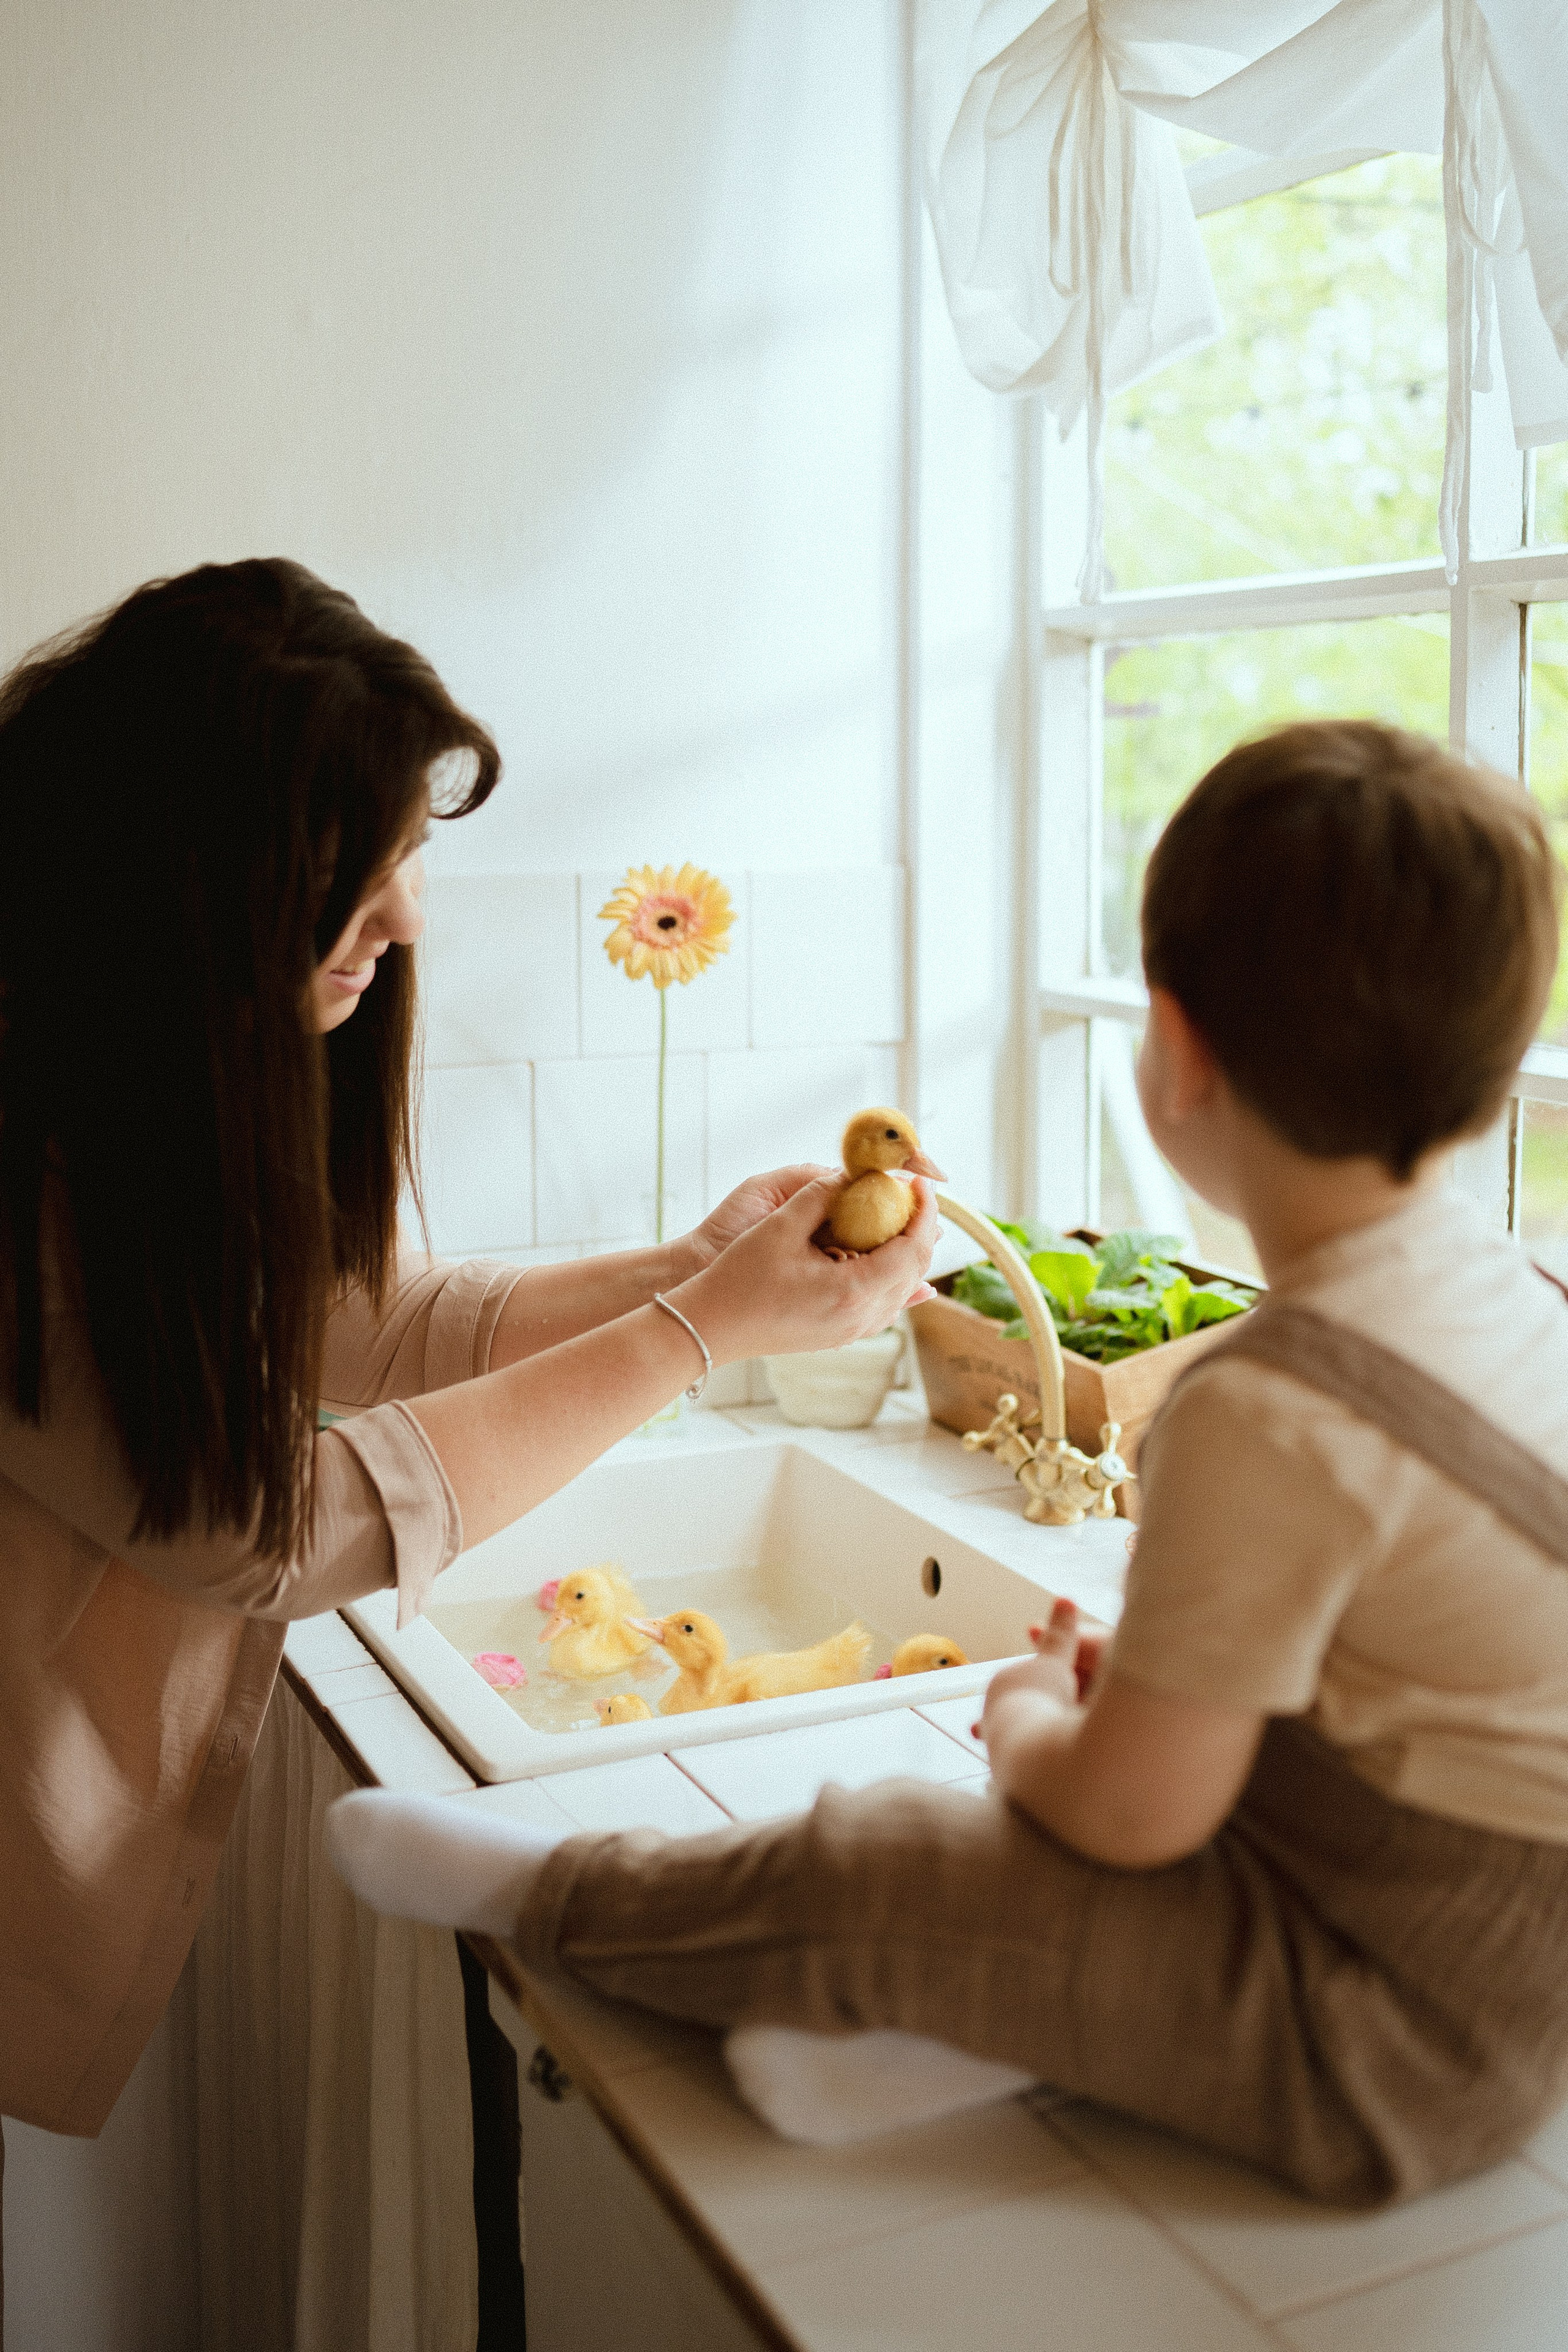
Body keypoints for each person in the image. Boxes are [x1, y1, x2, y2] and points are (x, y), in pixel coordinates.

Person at [334, 718, 1568, 2208]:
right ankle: (922, 2045)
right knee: (1032, 1917)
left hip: (1383, 2034)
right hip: (1484, 1970)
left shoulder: (1269, 1402)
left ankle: (556, 1896)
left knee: (899, 1859)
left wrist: (1040, 1715)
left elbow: (1125, 1819)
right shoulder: (1515, 1298)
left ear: (1174, 1049)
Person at [0, 557, 938, 2142]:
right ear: (188, 881)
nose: (408, 916)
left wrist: (690, 1268)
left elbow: (360, 1317)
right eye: (358, 873)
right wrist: (694, 1332)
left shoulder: (149, 1056)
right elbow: (270, 1525)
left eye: (410, 858)